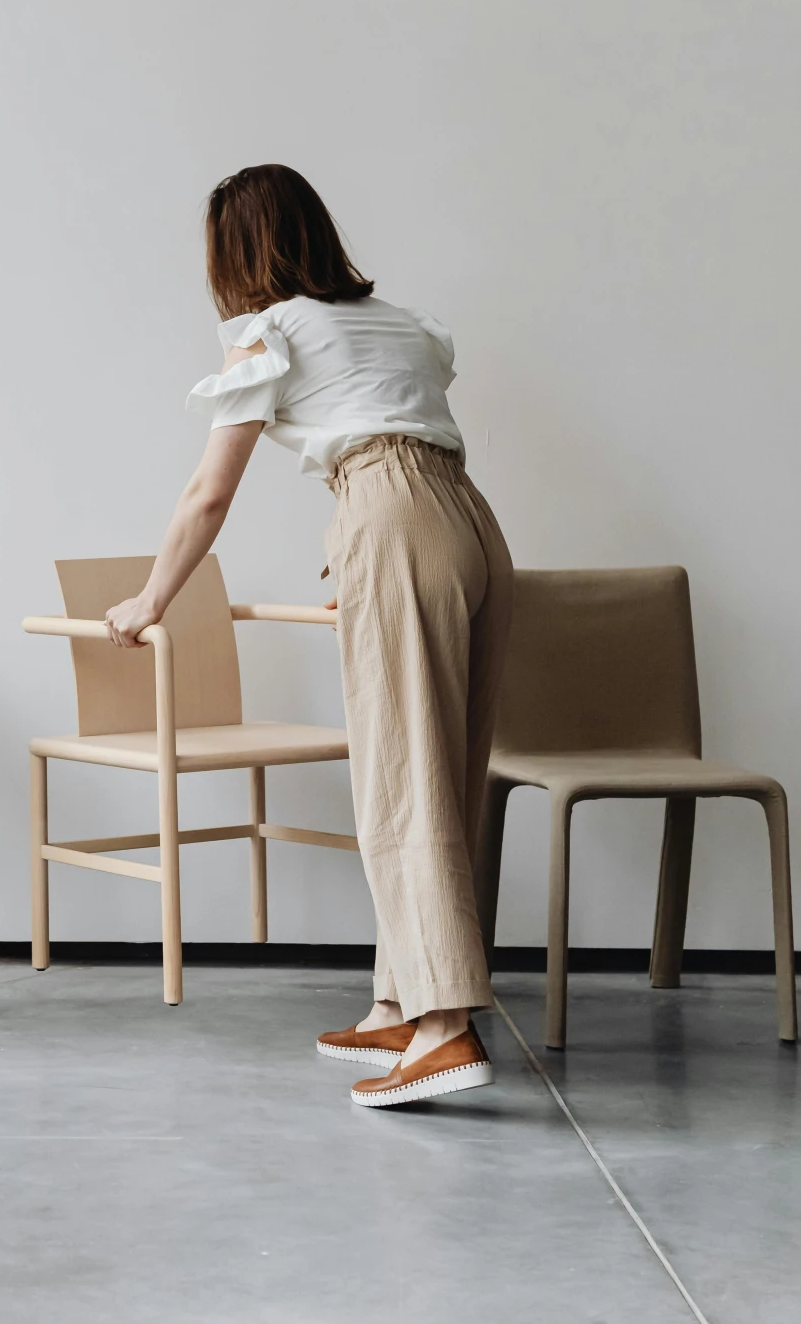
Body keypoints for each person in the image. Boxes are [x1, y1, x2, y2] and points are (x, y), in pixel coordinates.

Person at [104, 163, 512, 1109]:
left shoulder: (271, 330)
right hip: (471, 525)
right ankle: (399, 1004)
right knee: (444, 764)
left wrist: (150, 598)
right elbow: (411, 439)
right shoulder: (407, 323)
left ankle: (447, 1026)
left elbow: (210, 490)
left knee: (399, 773)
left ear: (236, 252)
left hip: (392, 513)